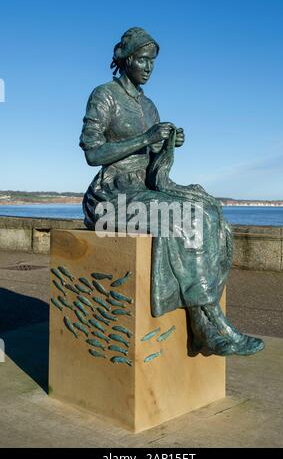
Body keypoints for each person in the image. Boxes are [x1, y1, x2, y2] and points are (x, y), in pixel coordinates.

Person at [79, 27, 264, 356]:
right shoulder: (104, 95)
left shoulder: (150, 107)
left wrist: (166, 148)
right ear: (125, 60)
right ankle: (208, 323)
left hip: (143, 188)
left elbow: (155, 172)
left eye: (152, 62)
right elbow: (93, 154)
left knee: (209, 212)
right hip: (111, 193)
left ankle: (208, 321)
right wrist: (145, 139)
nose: (148, 67)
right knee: (180, 216)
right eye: (142, 60)